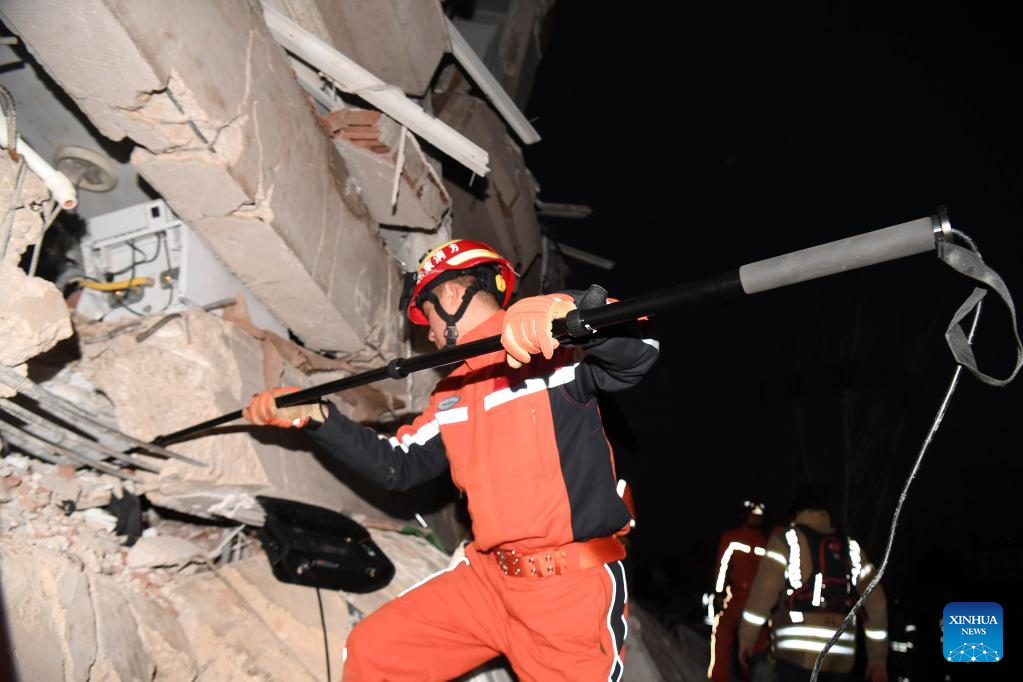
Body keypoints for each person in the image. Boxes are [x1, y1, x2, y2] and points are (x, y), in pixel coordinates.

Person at [243, 239, 659, 681]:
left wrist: (569, 312)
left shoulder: (554, 350)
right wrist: (317, 418)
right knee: (376, 653)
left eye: (428, 313)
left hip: (566, 591)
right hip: (486, 581)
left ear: (453, 296)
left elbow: (639, 351)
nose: (428, 335)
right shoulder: (451, 393)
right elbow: (397, 465)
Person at [738, 488, 889, 682]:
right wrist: (878, 658)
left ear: (797, 513)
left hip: (796, 657)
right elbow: (877, 603)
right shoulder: (851, 547)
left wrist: (746, 639)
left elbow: (763, 594)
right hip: (841, 661)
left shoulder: (787, 540)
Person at [708, 500, 769, 681]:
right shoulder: (732, 537)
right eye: (753, 516)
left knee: (759, 641)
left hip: (758, 600)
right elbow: (722, 566)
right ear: (745, 516)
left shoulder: (766, 543)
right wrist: (719, 592)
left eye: (759, 518)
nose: (755, 520)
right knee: (722, 633)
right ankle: (719, 678)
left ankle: (751, 676)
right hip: (736, 596)